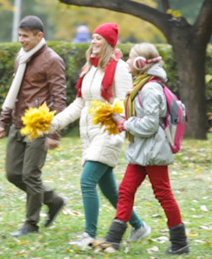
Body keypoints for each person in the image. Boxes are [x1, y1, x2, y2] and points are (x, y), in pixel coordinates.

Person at [49, 23, 150, 248]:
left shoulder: (120, 68)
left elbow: (125, 101)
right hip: (89, 135)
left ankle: (89, 235)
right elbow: (79, 103)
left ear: (108, 42)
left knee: (87, 181)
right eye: (93, 38)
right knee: (108, 190)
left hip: (108, 132)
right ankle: (139, 226)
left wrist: (113, 119)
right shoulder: (90, 69)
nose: (93, 42)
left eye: (98, 38)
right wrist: (54, 122)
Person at [98, 42, 189, 254]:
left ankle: (180, 243)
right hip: (141, 151)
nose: (128, 61)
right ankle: (113, 239)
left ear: (141, 63)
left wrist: (125, 124)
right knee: (126, 191)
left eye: (131, 58)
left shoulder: (150, 88)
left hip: (153, 151)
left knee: (163, 194)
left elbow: (149, 125)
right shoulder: (142, 84)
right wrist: (122, 119)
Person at [0, 15, 67, 237]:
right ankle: (53, 200)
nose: (21, 40)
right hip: (17, 123)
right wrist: (3, 122)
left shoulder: (52, 60)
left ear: (39, 36)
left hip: (39, 125)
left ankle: (30, 224)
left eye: (25, 36)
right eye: (19, 35)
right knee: (12, 173)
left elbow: (59, 97)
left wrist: (54, 132)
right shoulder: (21, 57)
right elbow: (13, 92)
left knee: (30, 175)